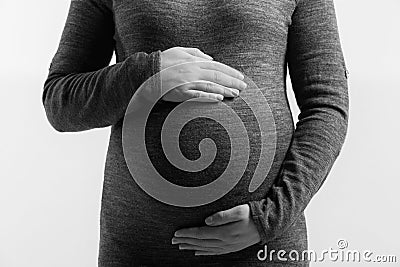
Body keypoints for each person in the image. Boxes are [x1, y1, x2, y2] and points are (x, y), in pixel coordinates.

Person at [42, 0, 349, 266]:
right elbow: (60, 102)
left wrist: (271, 216)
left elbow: (327, 105)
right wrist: (148, 75)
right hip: (140, 250)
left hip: (264, 250)